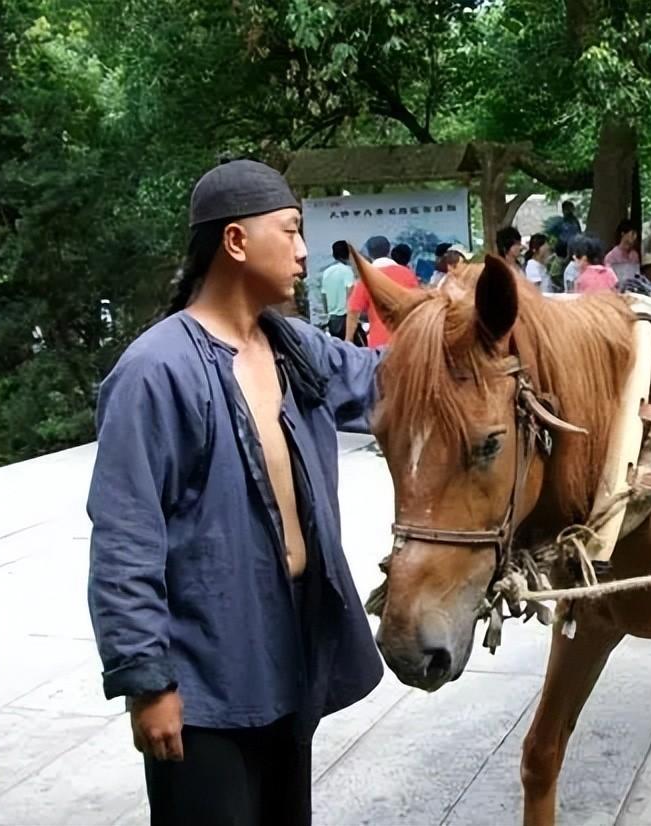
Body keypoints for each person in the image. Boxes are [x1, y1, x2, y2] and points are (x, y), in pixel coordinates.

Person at [87, 160, 384, 826]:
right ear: (237, 242)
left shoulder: (291, 347)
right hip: (201, 678)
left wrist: (472, 325)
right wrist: (147, 680)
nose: (305, 250)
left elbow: (387, 382)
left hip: (287, 654)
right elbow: (124, 539)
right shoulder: (156, 370)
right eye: (291, 230)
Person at [346, 235, 419, 347]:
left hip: (379, 345)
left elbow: (353, 311)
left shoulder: (366, 278)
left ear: (369, 254)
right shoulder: (408, 275)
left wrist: (348, 341)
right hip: (406, 343)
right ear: (389, 251)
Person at [320, 240, 354, 339]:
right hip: (344, 318)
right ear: (348, 254)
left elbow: (323, 295)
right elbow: (350, 291)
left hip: (332, 319)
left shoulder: (326, 272)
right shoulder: (347, 271)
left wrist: (327, 313)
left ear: (334, 255)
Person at [604, 218, 640, 283]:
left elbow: (637, 275)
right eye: (632, 234)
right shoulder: (611, 256)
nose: (635, 237)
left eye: (636, 234)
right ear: (623, 234)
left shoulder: (634, 255)